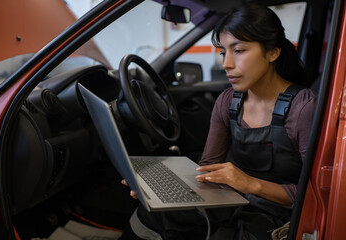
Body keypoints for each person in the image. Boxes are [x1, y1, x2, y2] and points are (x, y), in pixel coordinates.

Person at [119, 3, 316, 240]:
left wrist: (250, 184)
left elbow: (315, 198)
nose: (226, 64)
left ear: (273, 52)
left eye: (239, 51)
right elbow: (207, 167)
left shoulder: (303, 108)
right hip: (236, 202)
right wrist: (159, 189)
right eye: (223, 52)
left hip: (281, 218)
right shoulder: (227, 102)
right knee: (150, 213)